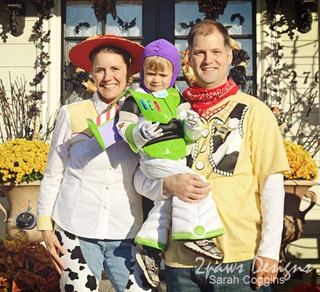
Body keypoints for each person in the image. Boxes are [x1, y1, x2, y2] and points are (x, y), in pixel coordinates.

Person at [134, 20, 290, 292]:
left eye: (216, 52)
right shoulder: (168, 110)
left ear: (229, 54)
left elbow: (271, 185)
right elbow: (141, 174)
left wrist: (269, 252)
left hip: (237, 256)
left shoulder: (254, 111)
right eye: (200, 53)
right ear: (189, 59)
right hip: (180, 258)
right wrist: (165, 186)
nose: (209, 60)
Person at [36, 34, 146, 292]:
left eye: (116, 69)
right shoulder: (71, 113)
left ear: (128, 73)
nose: (108, 77)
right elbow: (54, 172)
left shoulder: (143, 116)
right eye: (100, 70)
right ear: (92, 74)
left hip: (126, 230)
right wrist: (45, 228)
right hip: (75, 229)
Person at [116, 38, 224, 288]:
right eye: (149, 73)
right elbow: (124, 124)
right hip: (154, 158)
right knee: (196, 184)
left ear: (173, 74)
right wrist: (139, 132)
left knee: (166, 203)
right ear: (142, 72)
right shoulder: (135, 97)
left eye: (162, 74)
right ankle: (195, 233)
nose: (155, 79)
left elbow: (190, 129)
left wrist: (194, 126)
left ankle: (149, 246)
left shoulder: (176, 97)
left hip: (174, 156)